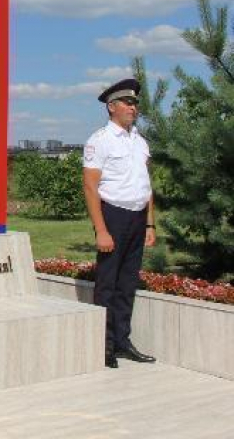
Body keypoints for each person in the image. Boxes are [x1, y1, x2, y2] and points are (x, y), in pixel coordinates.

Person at [82, 78, 157, 369]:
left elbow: (146, 186)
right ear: (112, 107)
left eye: (135, 103)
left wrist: (150, 224)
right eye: (128, 103)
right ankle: (104, 346)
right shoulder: (99, 140)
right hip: (112, 216)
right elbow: (90, 187)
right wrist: (101, 229)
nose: (133, 107)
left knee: (127, 283)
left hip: (137, 217)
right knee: (108, 284)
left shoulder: (140, 142)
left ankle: (123, 343)